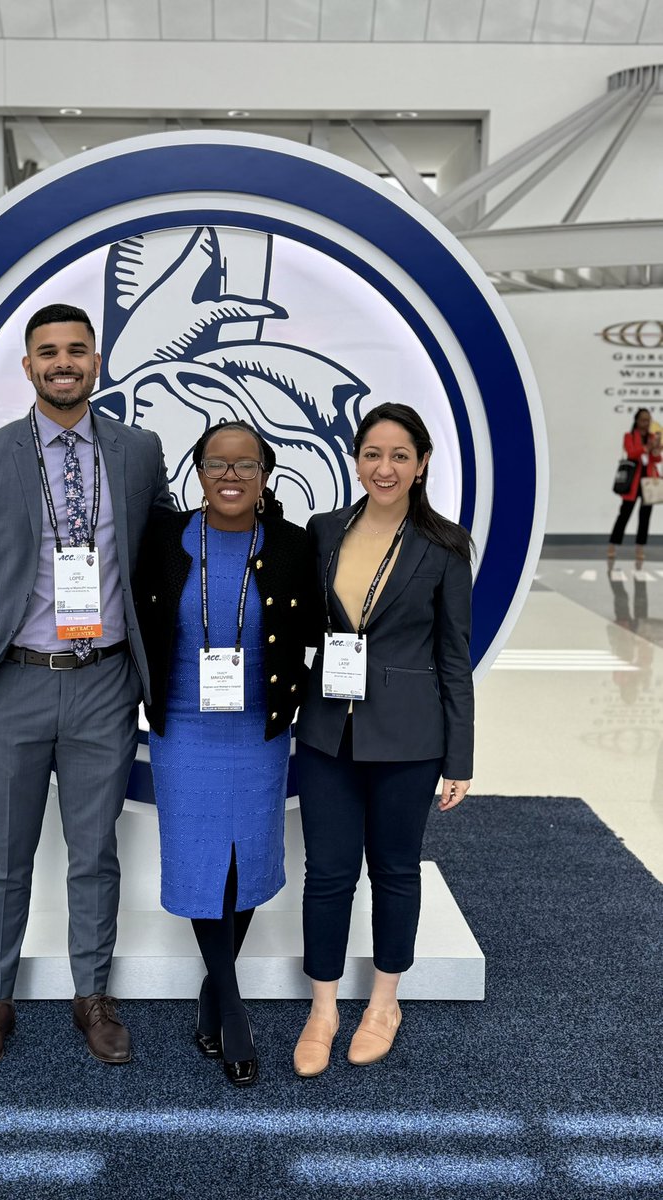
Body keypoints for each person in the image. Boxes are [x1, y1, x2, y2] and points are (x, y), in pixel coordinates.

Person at [0, 303, 172, 1074]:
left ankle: (90, 995)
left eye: (76, 350)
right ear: (27, 367)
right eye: (47, 352)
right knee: (5, 853)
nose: (63, 362)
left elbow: (161, 558)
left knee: (95, 853)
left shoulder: (137, 451)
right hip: (12, 685)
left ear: (96, 362)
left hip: (103, 684)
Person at [292, 402, 474, 1077]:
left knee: (396, 870)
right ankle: (323, 1008)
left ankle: (385, 1003)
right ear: (356, 458)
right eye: (373, 453)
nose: (386, 467)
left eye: (400, 455)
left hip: (410, 735)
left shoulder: (447, 546)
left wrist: (461, 755)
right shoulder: (322, 531)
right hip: (325, 730)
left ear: (422, 463)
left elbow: (454, 656)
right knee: (328, 872)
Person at [135, 420, 313, 1087]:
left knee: (246, 862)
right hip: (182, 725)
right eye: (216, 463)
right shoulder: (160, 539)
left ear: (265, 473)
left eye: (245, 464)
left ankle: (214, 997)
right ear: (198, 472)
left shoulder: (294, 546)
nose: (230, 475)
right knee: (202, 857)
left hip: (258, 730)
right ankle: (232, 1010)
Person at [608, 408, 662, 567]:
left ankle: (640, 548)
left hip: (648, 483)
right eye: (644, 420)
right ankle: (613, 544)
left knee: (645, 517)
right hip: (632, 483)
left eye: (649, 420)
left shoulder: (653, 437)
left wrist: (657, 448)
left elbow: (657, 459)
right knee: (624, 515)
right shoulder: (629, 436)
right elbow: (631, 453)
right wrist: (646, 447)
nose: (647, 423)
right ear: (637, 421)